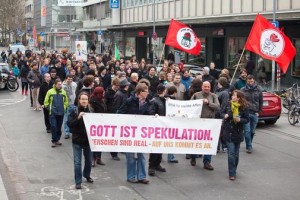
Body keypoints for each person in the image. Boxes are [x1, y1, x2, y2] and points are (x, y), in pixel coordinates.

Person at [118, 83, 150, 184]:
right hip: (130, 133)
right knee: (130, 156)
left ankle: (142, 176)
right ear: (140, 92)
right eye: (146, 91)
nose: (148, 93)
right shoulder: (129, 101)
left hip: (141, 133)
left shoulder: (148, 102)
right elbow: (120, 113)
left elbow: (150, 114)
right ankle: (131, 176)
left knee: (141, 155)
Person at [190, 81, 220, 170]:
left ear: (210, 87)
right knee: (196, 141)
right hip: (198, 122)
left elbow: (218, 107)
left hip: (210, 123)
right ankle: (193, 157)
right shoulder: (196, 95)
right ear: (202, 87)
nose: (206, 88)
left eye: (208, 87)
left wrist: (208, 103)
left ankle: (207, 162)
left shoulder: (214, 96)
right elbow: (189, 106)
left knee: (209, 142)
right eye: (205, 86)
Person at [67, 92, 94, 190]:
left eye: (86, 99)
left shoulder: (91, 111)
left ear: (88, 101)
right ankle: (78, 181)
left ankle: (87, 175)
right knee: (77, 162)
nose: (84, 101)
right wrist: (78, 118)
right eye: (82, 99)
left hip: (88, 141)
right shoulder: (74, 110)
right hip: (77, 140)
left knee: (88, 161)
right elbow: (69, 124)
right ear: (79, 100)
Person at [221, 90, 249, 181]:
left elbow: (247, 119)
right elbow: (220, 113)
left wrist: (240, 120)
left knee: (236, 155)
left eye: (234, 95)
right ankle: (232, 173)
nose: (232, 97)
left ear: (239, 98)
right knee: (231, 154)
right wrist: (225, 115)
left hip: (238, 132)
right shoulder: (228, 104)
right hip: (228, 132)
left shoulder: (243, 107)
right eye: (232, 95)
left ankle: (234, 169)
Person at [148, 84, 168, 176]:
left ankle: (157, 164)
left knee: (161, 146)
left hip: (163, 126)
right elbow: (151, 113)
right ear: (162, 91)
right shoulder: (154, 101)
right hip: (156, 127)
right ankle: (151, 166)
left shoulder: (164, 100)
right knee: (155, 147)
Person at [241, 75, 263, 153]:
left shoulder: (259, 90)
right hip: (246, 113)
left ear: (254, 81)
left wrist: (259, 111)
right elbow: (241, 101)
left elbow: (261, 101)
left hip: (255, 113)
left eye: (252, 81)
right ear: (246, 81)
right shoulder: (243, 90)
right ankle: (249, 147)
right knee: (247, 131)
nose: (250, 83)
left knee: (252, 131)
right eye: (249, 81)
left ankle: (249, 143)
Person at [44, 79, 68, 148]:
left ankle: (57, 139)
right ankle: (54, 141)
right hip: (53, 113)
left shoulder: (63, 92)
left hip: (61, 112)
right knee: (54, 126)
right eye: (59, 84)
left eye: (60, 84)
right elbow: (46, 101)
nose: (60, 85)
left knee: (59, 127)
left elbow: (66, 101)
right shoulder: (50, 91)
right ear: (55, 84)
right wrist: (49, 108)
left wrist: (64, 107)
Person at [90, 87, 107, 166]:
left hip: (102, 123)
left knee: (100, 142)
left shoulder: (102, 100)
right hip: (95, 124)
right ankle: (93, 159)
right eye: (102, 92)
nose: (104, 93)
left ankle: (98, 158)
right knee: (95, 142)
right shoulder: (93, 101)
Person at [62, 75, 77, 139]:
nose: (70, 80)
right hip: (66, 104)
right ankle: (66, 132)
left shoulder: (74, 84)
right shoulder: (62, 86)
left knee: (74, 119)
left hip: (73, 104)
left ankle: (73, 131)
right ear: (66, 79)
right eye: (69, 79)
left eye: (71, 79)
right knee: (66, 119)